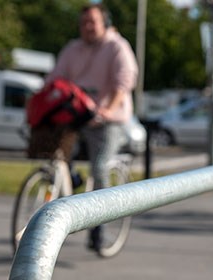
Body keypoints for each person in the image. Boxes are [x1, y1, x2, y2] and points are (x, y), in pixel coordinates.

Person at [46, 3, 138, 251]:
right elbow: (55, 77)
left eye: (92, 22)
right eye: (83, 23)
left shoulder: (117, 46)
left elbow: (124, 81)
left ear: (104, 23)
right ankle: (72, 179)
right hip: (78, 115)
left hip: (109, 118)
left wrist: (109, 108)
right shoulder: (73, 49)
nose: (87, 27)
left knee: (99, 167)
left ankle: (99, 229)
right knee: (57, 153)